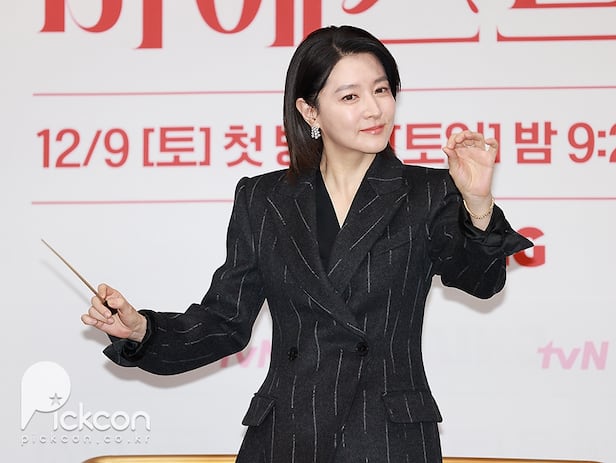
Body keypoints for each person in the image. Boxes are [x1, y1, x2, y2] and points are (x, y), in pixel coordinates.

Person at [82, 25, 533, 463]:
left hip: (387, 438)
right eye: (350, 97)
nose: (374, 109)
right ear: (310, 111)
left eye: (381, 90)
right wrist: (142, 330)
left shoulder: (428, 191)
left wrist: (478, 203)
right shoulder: (264, 198)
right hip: (287, 435)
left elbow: (482, 281)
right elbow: (225, 320)